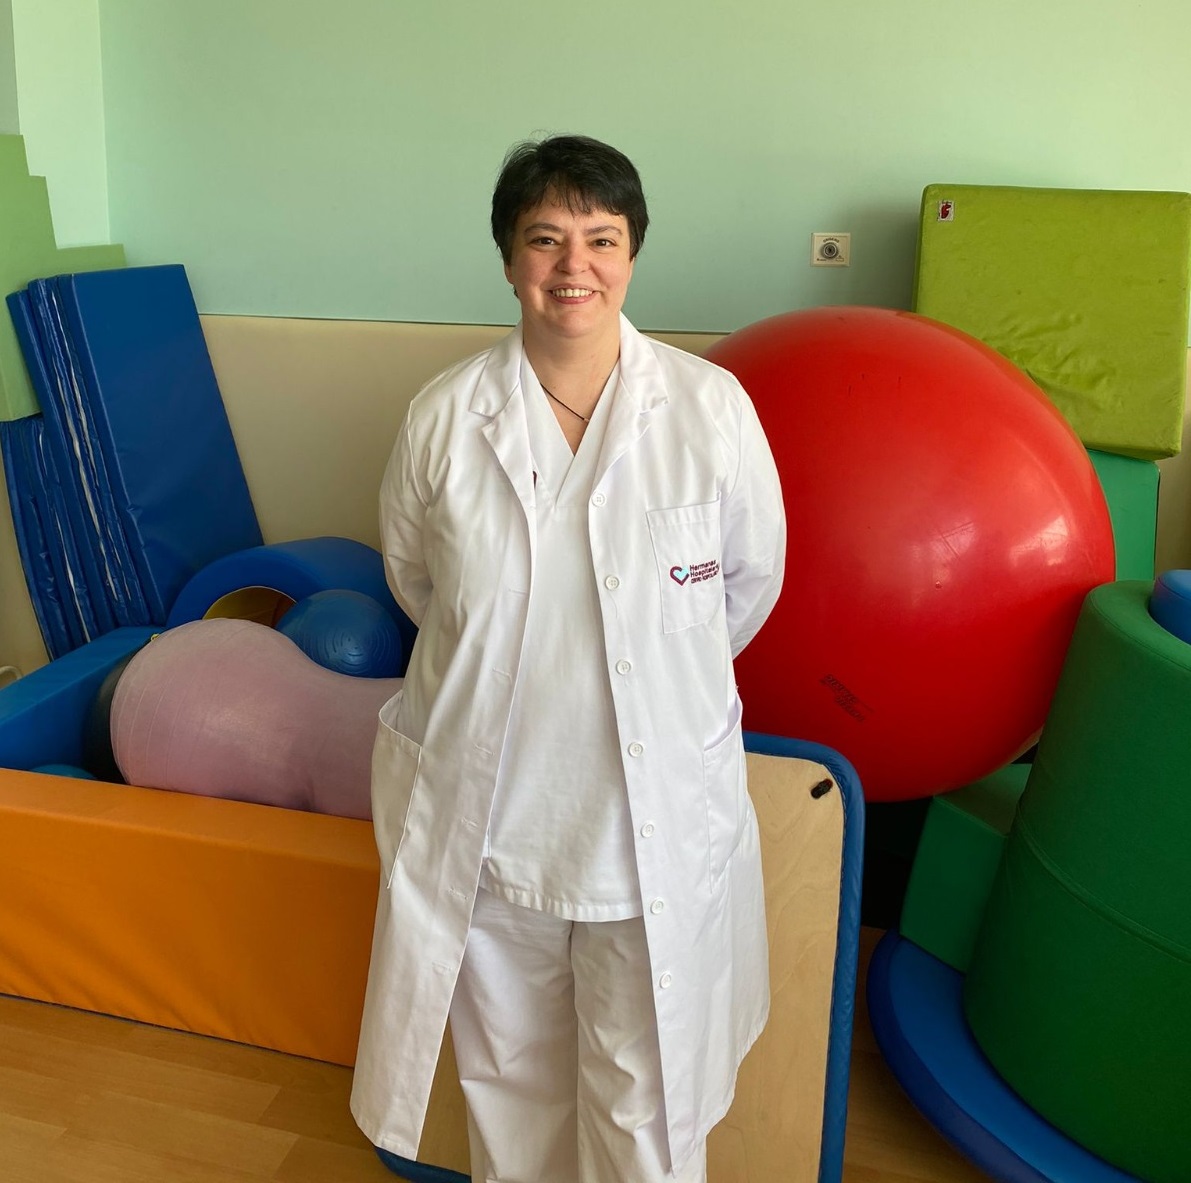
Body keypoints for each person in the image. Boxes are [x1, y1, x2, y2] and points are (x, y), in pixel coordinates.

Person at [350, 134, 786, 1183]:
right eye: (545, 239)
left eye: (601, 237)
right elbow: (420, 584)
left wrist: (644, 674)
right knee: (512, 1093)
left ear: (632, 254)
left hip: (648, 836)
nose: (573, 265)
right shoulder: (445, 418)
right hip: (496, 832)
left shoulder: (709, 410)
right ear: (509, 259)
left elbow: (745, 586)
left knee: (647, 1112)